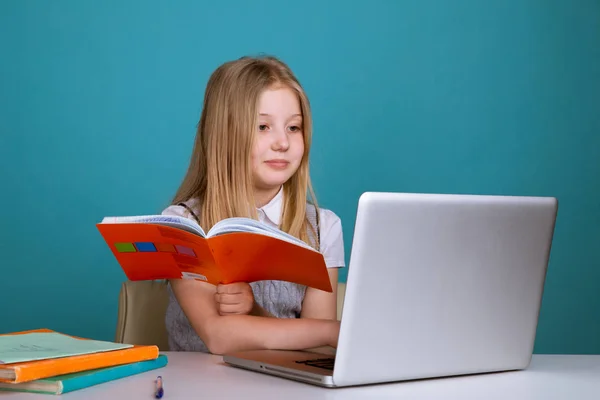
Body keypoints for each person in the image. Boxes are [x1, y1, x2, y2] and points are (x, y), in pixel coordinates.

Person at [161, 55, 345, 355]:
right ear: (225, 134)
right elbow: (217, 335)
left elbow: (318, 352)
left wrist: (255, 310)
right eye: (262, 127)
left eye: (294, 128)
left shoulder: (323, 227)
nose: (282, 143)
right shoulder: (183, 223)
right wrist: (333, 330)